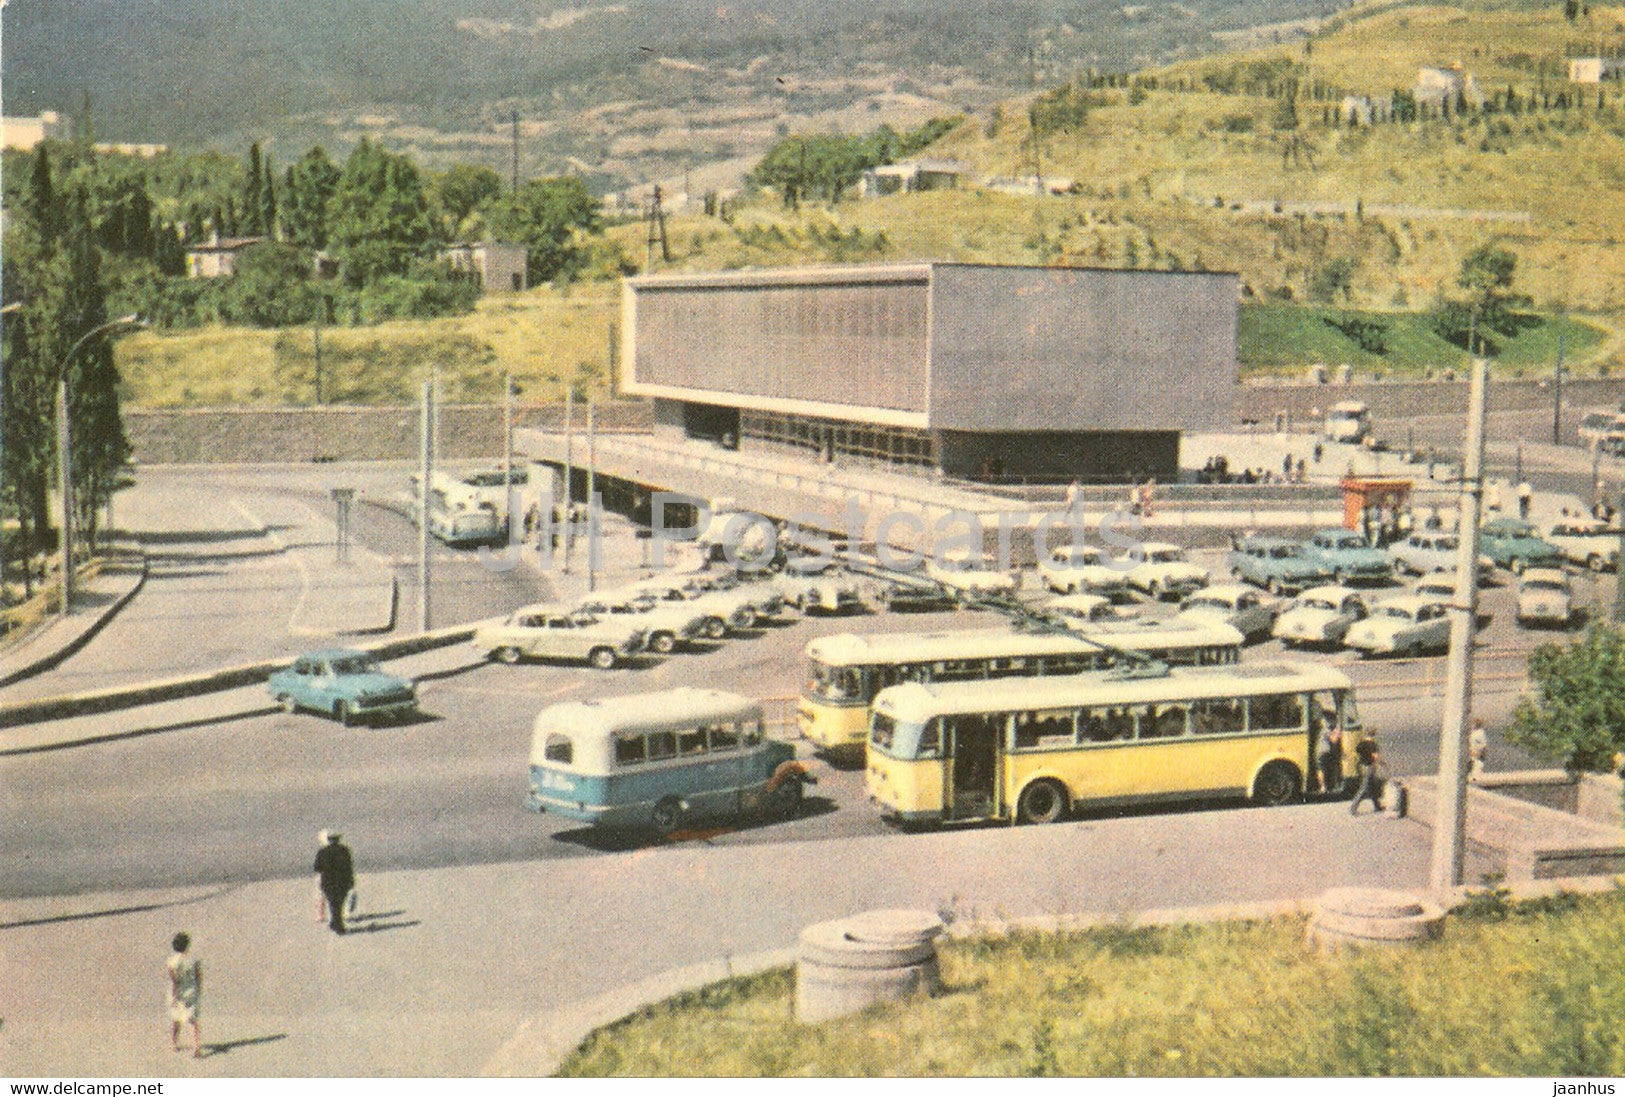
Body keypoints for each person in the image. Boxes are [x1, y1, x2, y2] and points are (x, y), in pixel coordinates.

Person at [166, 932, 203, 1057]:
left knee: (176, 1020)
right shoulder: (193, 960)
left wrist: (174, 995)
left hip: (178, 992)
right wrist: (198, 990)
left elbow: (174, 981)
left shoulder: (171, 962)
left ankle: (174, 1044)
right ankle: (197, 1047)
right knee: (193, 1021)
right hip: (190, 991)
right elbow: (198, 976)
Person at [313, 830, 356, 935]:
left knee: (333, 903)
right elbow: (349, 867)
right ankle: (337, 923)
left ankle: (336, 924)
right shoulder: (345, 850)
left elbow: (317, 868)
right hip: (343, 881)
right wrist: (351, 880)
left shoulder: (323, 852)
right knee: (339, 903)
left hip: (328, 881)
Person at [1348, 733, 1387, 815]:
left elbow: (1355, 754)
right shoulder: (1373, 745)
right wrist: (1382, 763)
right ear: (1373, 736)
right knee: (1364, 788)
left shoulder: (1361, 744)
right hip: (1370, 766)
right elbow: (1375, 756)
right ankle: (1353, 808)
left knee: (1372, 787)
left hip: (1362, 766)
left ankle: (1377, 806)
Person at [1317, 711, 1344, 798]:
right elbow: (1334, 739)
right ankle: (1323, 787)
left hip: (1323, 752)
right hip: (1324, 752)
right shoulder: (1326, 729)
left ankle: (1325, 787)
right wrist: (1339, 730)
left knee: (1324, 769)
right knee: (1323, 770)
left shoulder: (1325, 727)